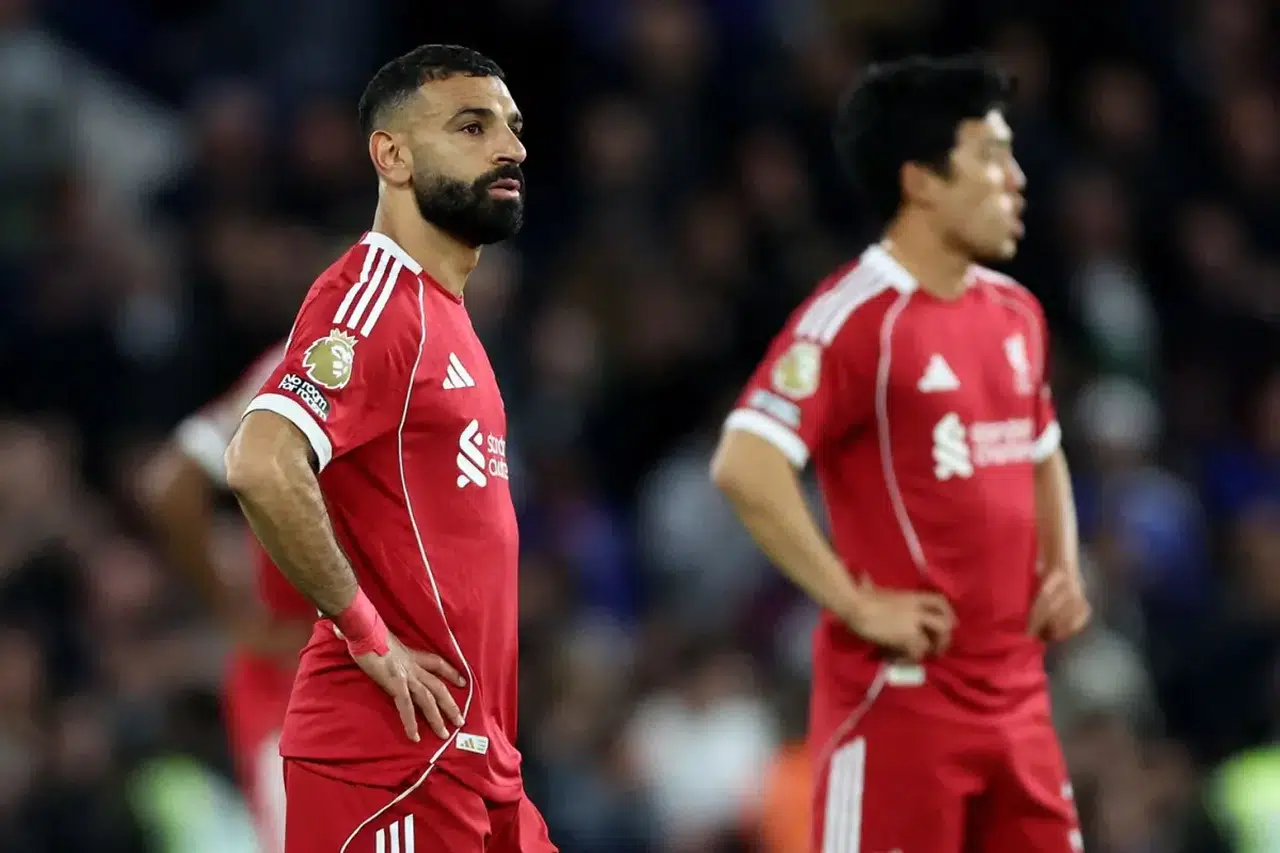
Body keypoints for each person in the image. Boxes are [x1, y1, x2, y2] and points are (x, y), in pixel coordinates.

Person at [710, 55, 1091, 853]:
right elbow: (746, 462)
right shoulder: (856, 317)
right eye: (991, 156)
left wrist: (1064, 565)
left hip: (1018, 698)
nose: (1016, 179)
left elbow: (1042, 447)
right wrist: (854, 602)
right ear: (920, 180)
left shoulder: (1016, 312)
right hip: (902, 701)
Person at [223, 45, 556, 853]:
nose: (509, 148)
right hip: (389, 758)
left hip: (474, 756)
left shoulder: (449, 318)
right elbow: (261, 460)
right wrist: (367, 633)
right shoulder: (376, 294)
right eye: (472, 127)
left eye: (512, 128)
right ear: (391, 154)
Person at [139, 340, 312, 853]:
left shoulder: (299, 357)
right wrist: (239, 616)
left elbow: (170, 486)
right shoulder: (319, 367)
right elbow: (170, 487)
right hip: (304, 683)